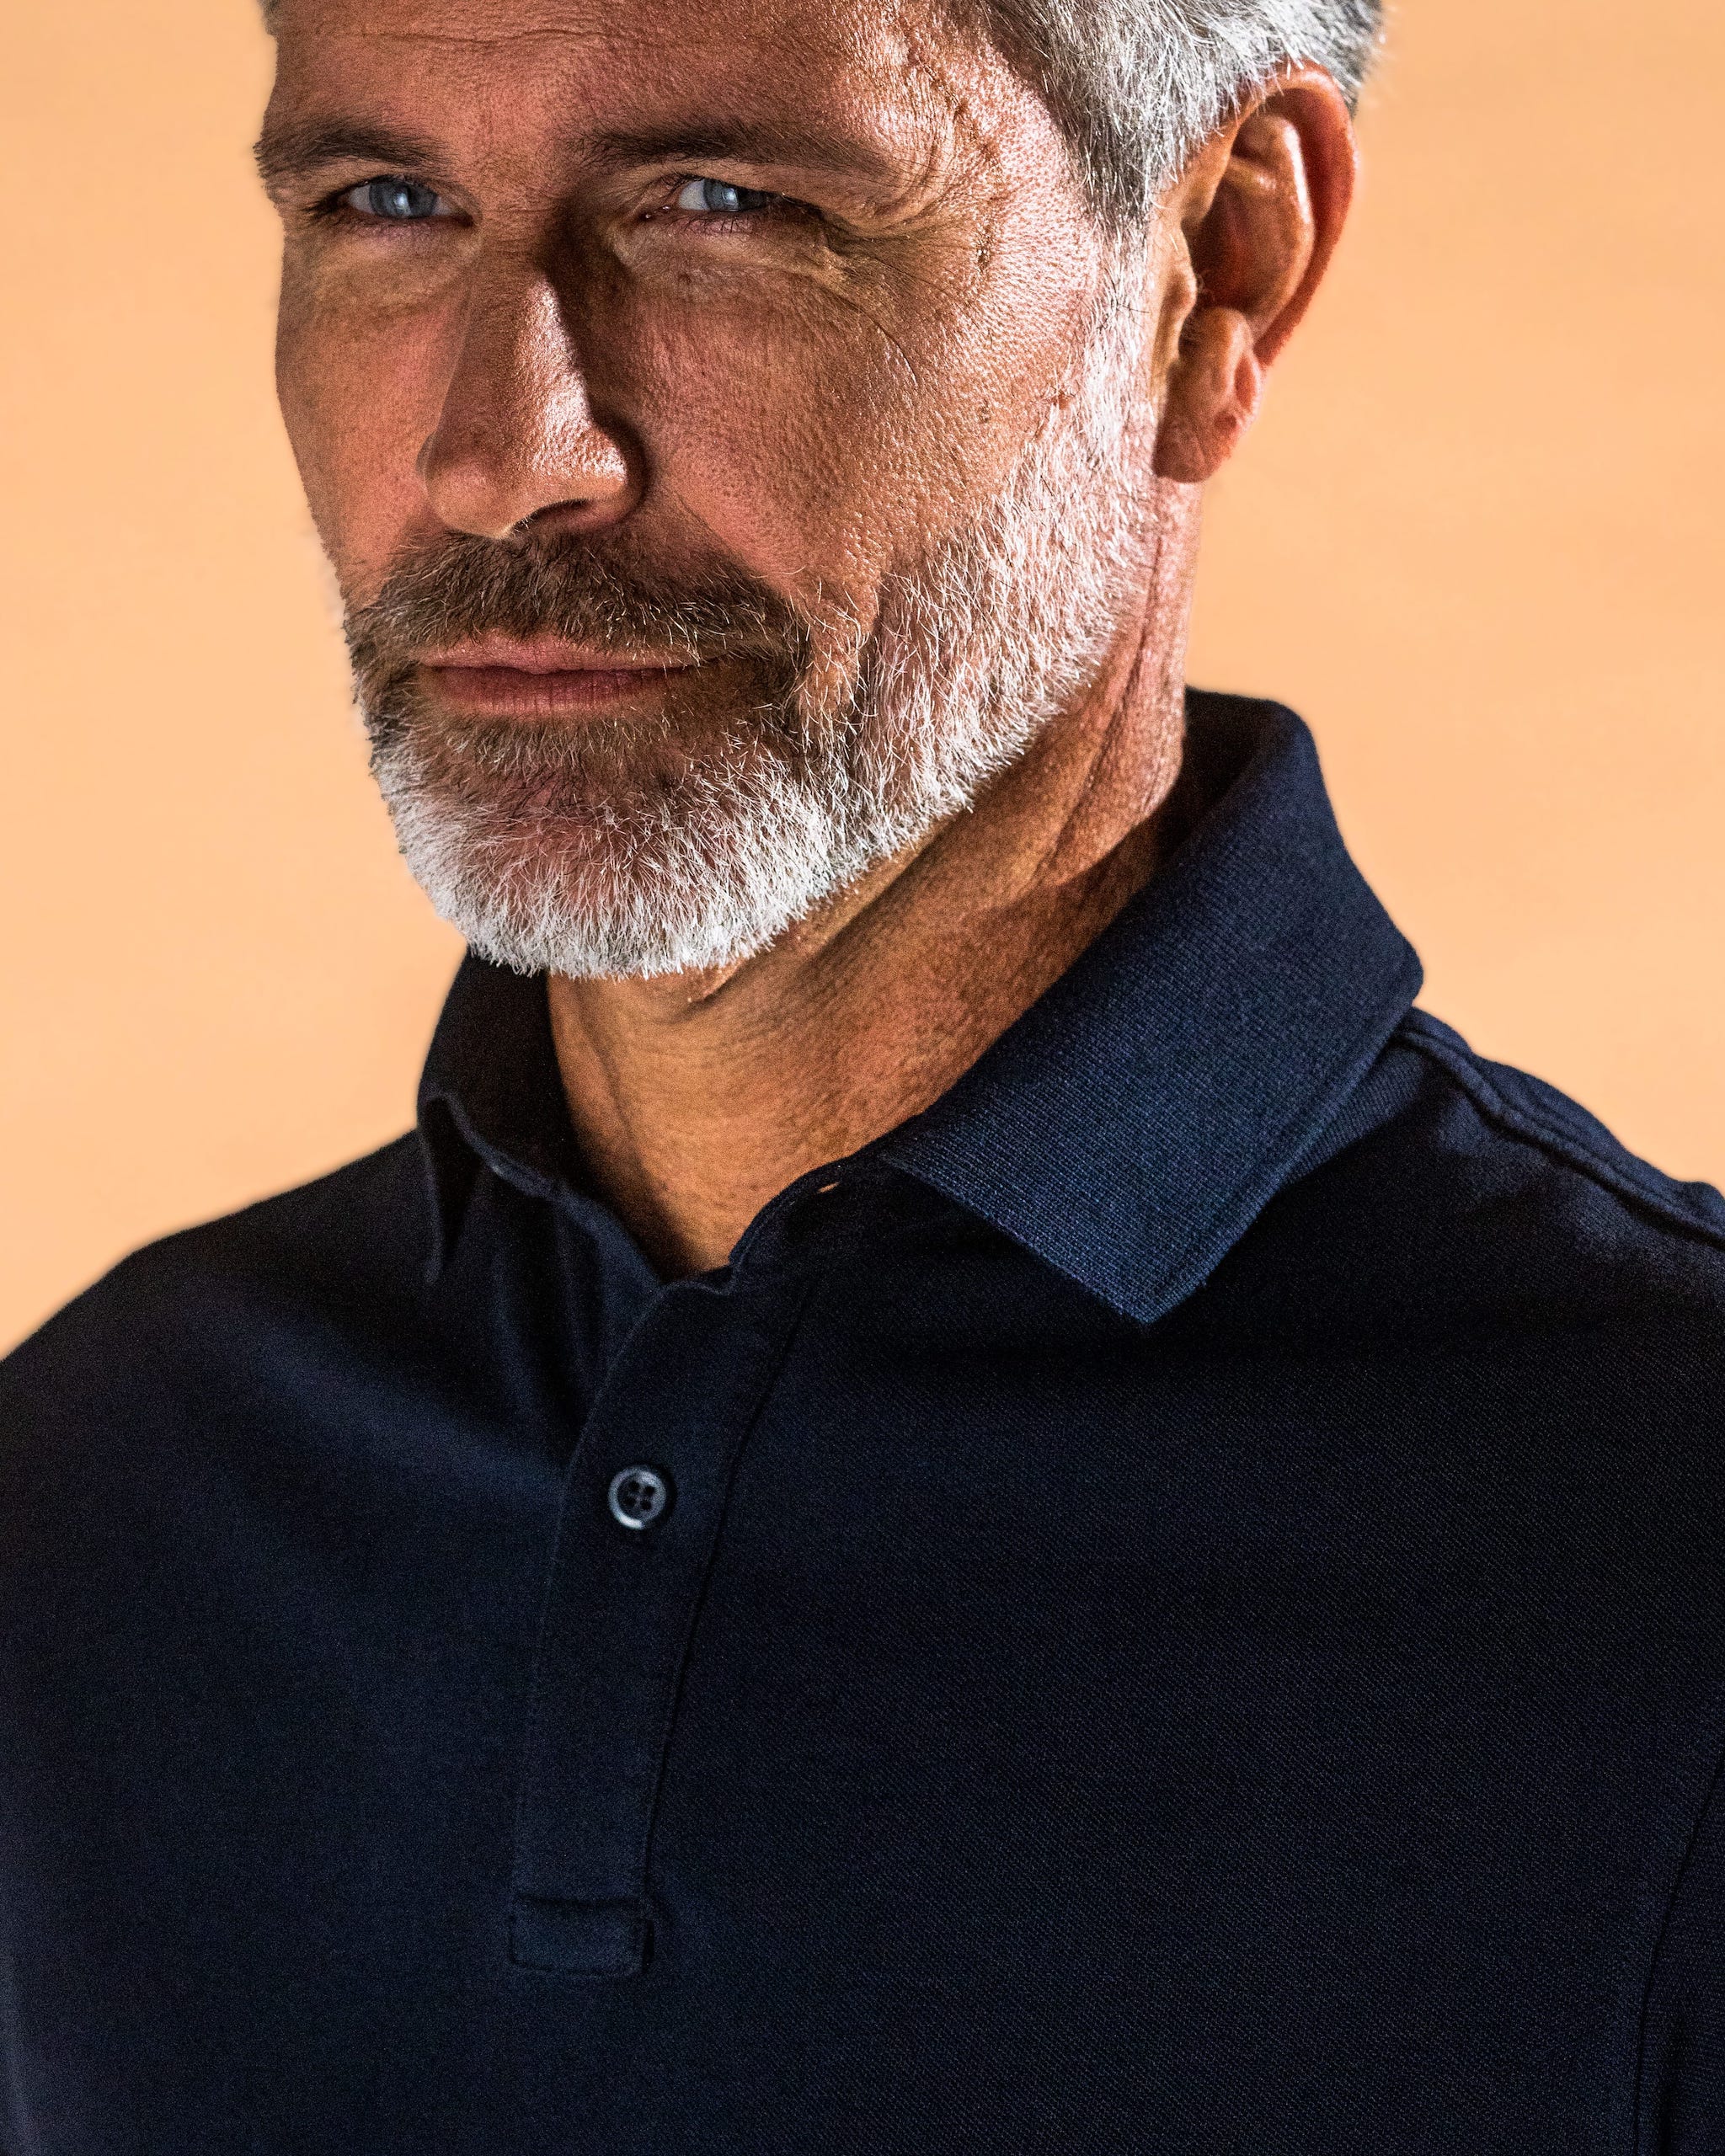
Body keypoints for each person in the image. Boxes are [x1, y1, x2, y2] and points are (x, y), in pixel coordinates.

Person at [3, 0, 1723, 2143]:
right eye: (387, 199)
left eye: (723, 202)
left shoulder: (1667, 1540)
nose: (500, 450)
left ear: (1218, 264)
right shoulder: (90, 1496)